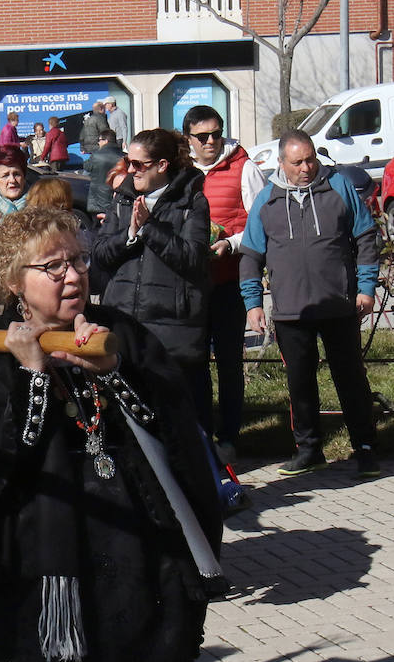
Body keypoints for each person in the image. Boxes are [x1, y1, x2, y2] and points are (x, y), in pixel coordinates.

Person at [0, 207, 224, 662]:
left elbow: (176, 429)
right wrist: (32, 376)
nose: (73, 275)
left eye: (78, 261)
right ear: (15, 281)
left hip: (131, 539)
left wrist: (114, 371)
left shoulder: (120, 332)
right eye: (52, 266)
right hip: (32, 548)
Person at [240, 129, 381, 477]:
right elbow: (250, 254)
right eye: (298, 162)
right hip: (291, 310)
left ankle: (365, 449)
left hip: (339, 304)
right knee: (300, 383)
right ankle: (308, 449)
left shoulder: (338, 187)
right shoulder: (266, 200)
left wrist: (365, 288)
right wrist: (253, 303)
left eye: (311, 159)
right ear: (281, 163)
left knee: (350, 380)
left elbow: (366, 236)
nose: (307, 167)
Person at [93, 129, 211, 433]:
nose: (131, 171)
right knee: (129, 423)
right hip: (124, 323)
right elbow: (101, 255)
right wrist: (130, 235)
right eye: (128, 162)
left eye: (139, 164)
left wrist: (149, 228)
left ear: (161, 165)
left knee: (180, 424)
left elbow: (193, 260)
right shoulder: (123, 198)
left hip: (172, 327)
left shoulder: (192, 201)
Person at [185, 105, 266, 461]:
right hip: (191, 284)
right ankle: (201, 437)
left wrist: (230, 244)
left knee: (230, 362)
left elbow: (262, 224)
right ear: (189, 138)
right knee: (194, 362)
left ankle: (231, 436)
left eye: (217, 133)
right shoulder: (180, 172)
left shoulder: (243, 167)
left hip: (230, 279)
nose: (211, 141)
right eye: (203, 136)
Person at [84, 130, 125, 221]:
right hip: (118, 200)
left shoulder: (96, 155)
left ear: (106, 141)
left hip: (97, 201)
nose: (98, 143)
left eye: (99, 140)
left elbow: (87, 167)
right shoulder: (124, 156)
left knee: (97, 231)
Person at [0, 145, 30, 224]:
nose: (12, 180)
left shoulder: (40, 214)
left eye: (16, 174)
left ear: (24, 177)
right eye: (5, 176)